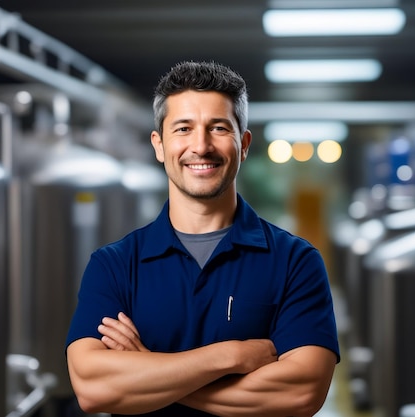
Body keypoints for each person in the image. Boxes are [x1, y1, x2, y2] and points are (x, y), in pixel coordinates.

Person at [65, 60, 339, 417]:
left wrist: (148, 369)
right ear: (159, 145)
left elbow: (301, 393)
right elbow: (93, 387)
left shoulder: (295, 261)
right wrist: (230, 357)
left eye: (218, 128)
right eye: (183, 128)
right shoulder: (115, 265)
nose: (201, 146)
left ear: (243, 144)